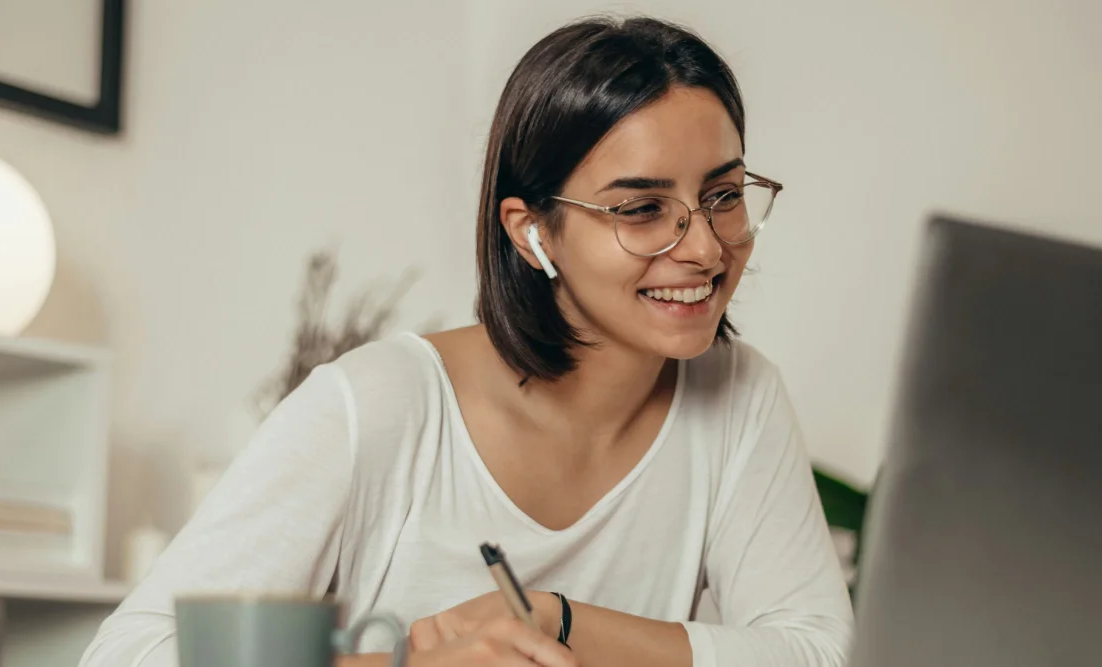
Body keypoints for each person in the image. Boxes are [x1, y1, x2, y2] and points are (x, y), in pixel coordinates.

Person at [80, 15, 852, 667]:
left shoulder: (740, 396)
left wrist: (557, 618)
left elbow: (815, 650)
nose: (708, 248)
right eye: (643, 209)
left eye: (722, 196)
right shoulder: (379, 404)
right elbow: (129, 651)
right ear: (531, 231)